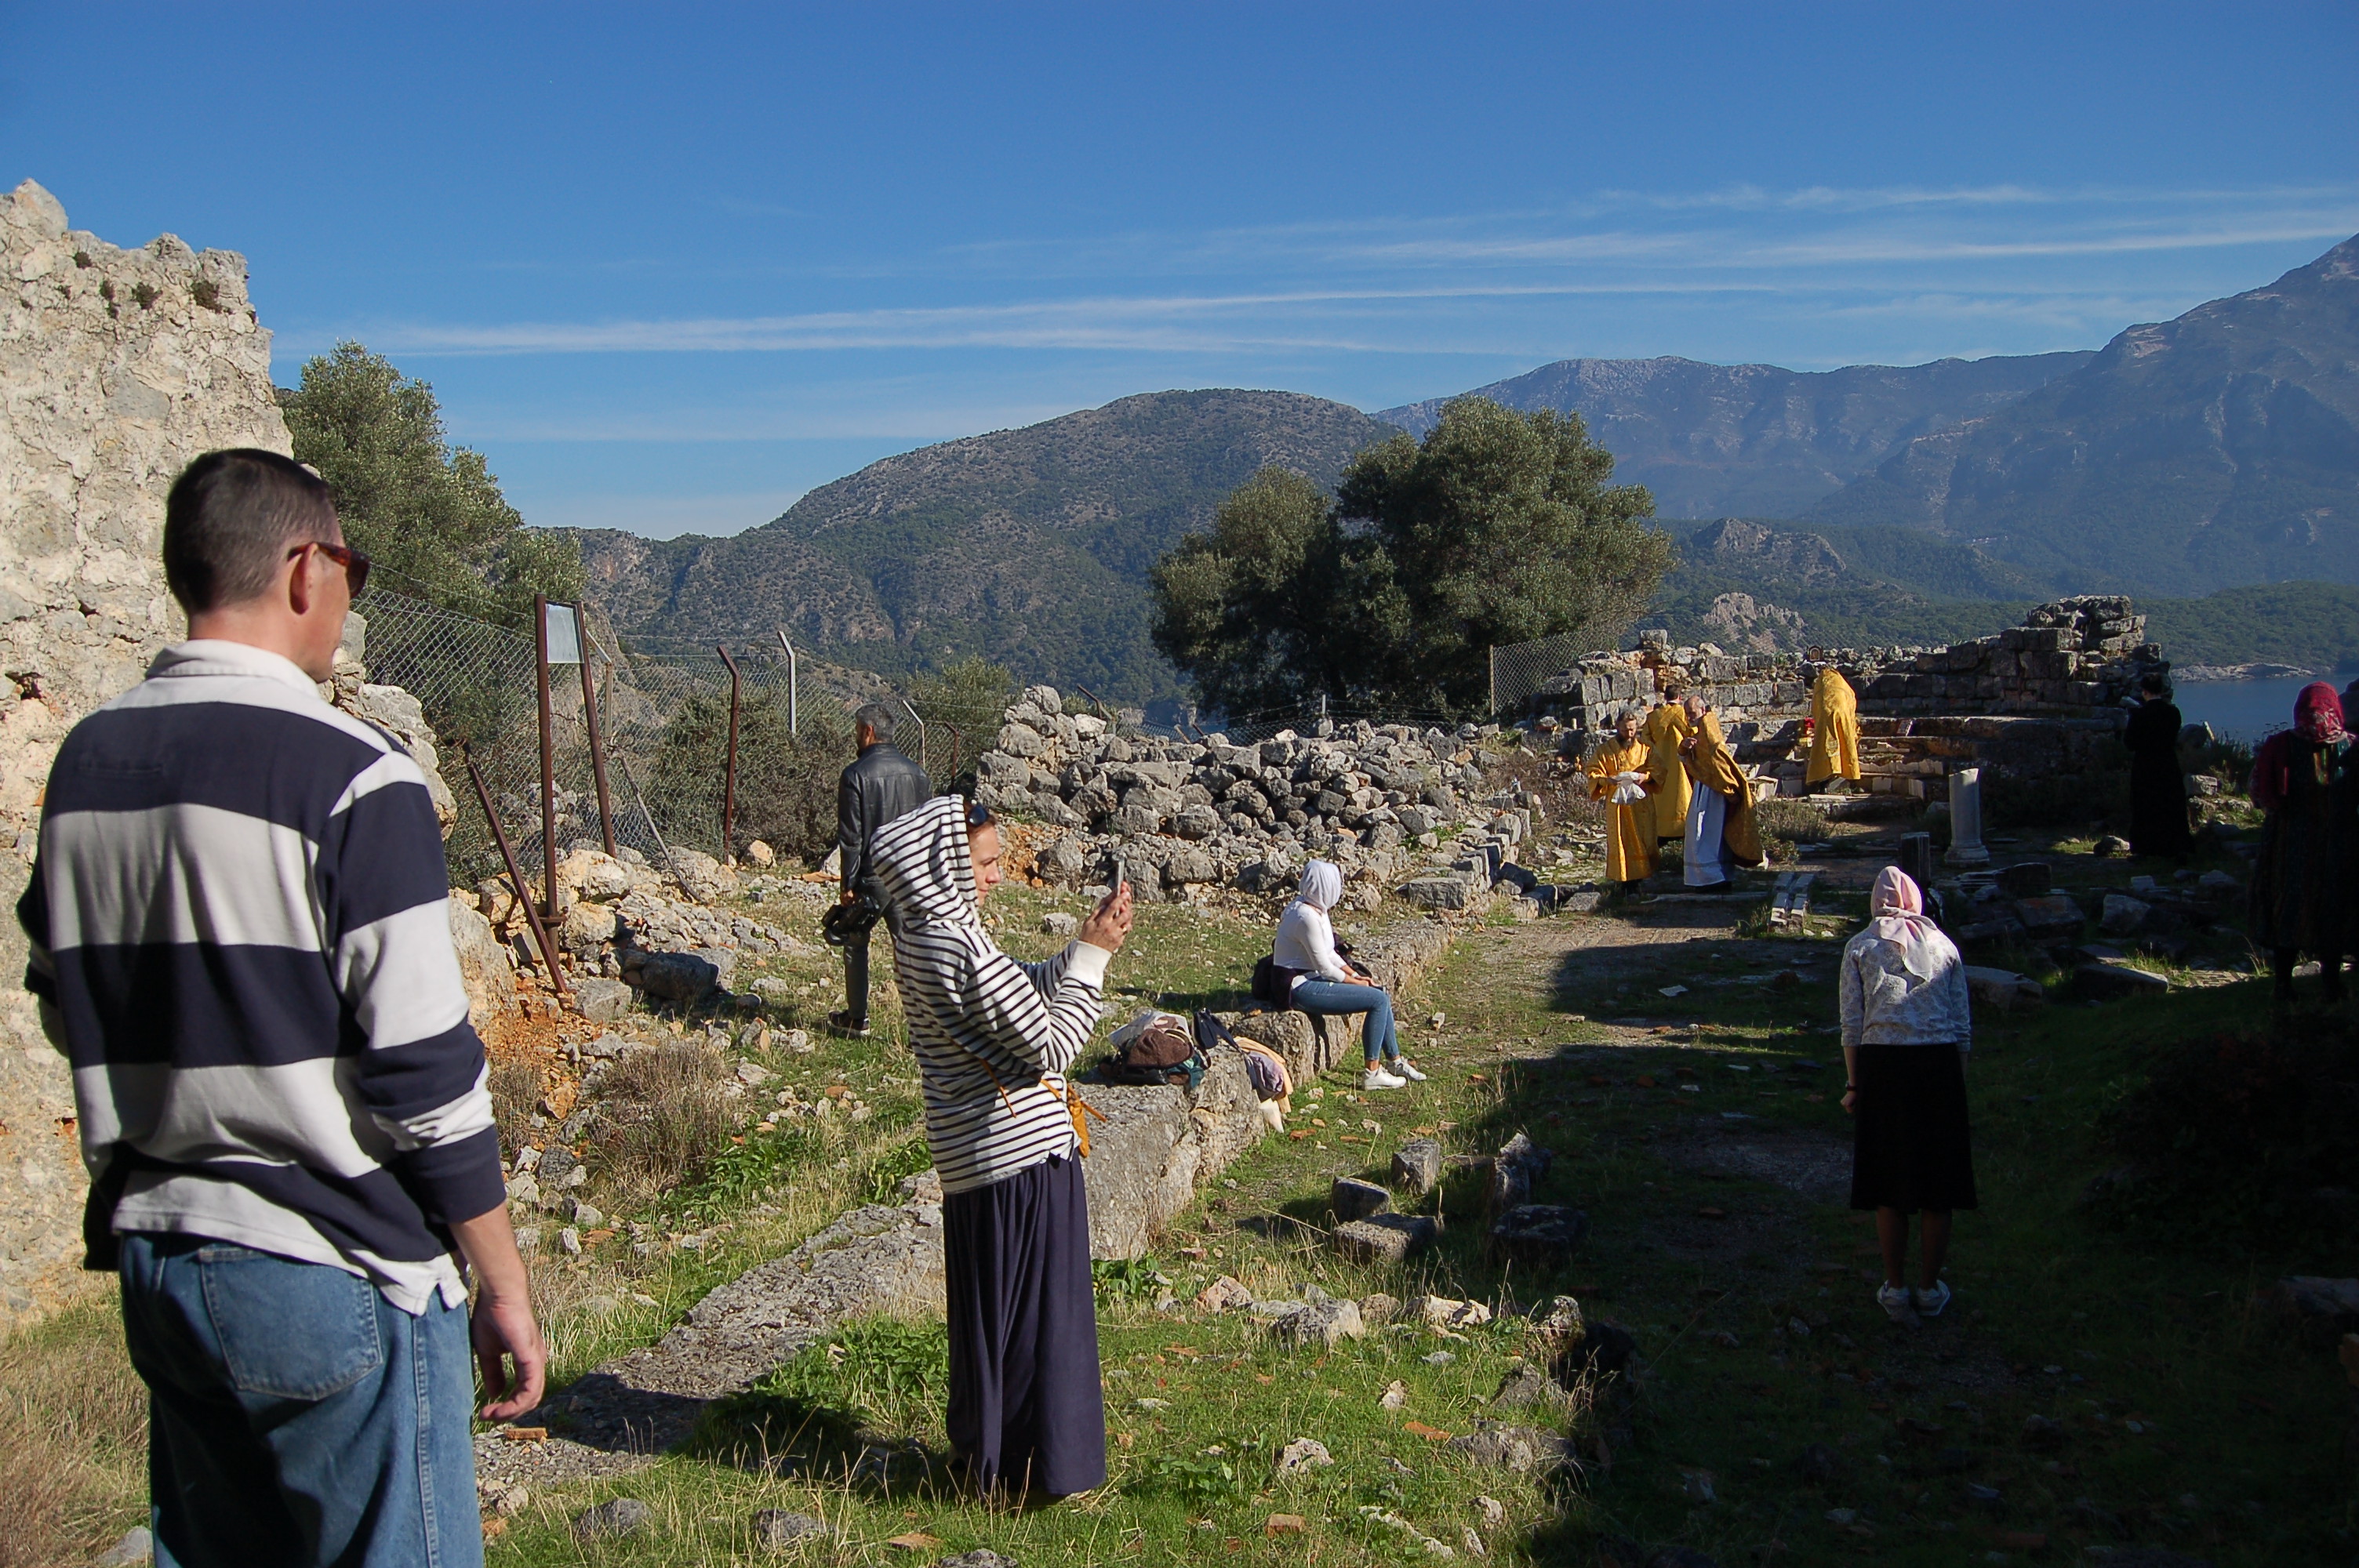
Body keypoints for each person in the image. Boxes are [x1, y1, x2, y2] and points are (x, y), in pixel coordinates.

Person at [15, 449, 543, 1567]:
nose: (350, 589)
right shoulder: (356, 776)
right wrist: (502, 1283)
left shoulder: (86, 764)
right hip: (333, 1263)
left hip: (164, 1255)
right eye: (352, 563)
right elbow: (422, 1075)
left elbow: (67, 995)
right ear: (306, 567)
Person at [867, 793, 1131, 1499]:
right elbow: (1049, 1041)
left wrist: (1077, 950)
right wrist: (1097, 962)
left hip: (972, 1158)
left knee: (994, 1318)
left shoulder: (923, 933)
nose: (994, 877)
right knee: (1038, 1323)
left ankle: (987, 1461)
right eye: (983, 863)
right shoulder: (956, 941)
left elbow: (1009, 999)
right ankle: (1036, 1470)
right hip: (1019, 1154)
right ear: (945, 863)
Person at [1840, 867, 1976, 1326]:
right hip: (1937, 1065)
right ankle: (1930, 1287)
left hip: (1883, 1066)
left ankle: (1895, 1289)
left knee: (1889, 1181)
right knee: (1939, 1185)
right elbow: (1961, 1025)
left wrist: (1854, 1084)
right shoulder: (1944, 947)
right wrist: (1956, 1081)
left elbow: (1852, 1024)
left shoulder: (1860, 947)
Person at [1273, 861, 1427, 1090]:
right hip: (1299, 988)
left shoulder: (1316, 909)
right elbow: (1324, 967)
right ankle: (1372, 1073)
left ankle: (1395, 1061)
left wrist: (1356, 975)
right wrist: (1356, 982)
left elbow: (1330, 953)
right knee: (1377, 1000)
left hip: (1312, 978)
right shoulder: (1305, 916)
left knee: (1378, 992)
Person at [2248, 681, 2353, 1003]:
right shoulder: (2350, 747)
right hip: (2338, 845)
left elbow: (2258, 791)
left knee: (2288, 910)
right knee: (2333, 910)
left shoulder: (2280, 746)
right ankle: (2332, 984)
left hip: (2288, 844)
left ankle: (2283, 985)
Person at [832, 702, 931, 1036]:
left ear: (868, 732)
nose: (856, 737)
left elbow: (851, 837)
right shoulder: (918, 774)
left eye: (858, 731)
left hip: (872, 879)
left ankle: (857, 1019)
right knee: (914, 951)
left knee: (856, 944)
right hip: (910, 877)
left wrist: (848, 883)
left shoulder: (855, 775)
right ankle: (930, 1025)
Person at [1677, 692, 1764, 889]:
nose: (1690, 717)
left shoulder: (1708, 728)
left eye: (1692, 713)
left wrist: (1729, 788)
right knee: (1703, 832)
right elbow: (1697, 761)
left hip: (1715, 791)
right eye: (1687, 713)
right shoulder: (1699, 731)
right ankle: (1708, 877)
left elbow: (1718, 760)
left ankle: (1711, 878)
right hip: (1705, 787)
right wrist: (1684, 748)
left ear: (1703, 710)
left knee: (1705, 832)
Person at [1585, 707, 1659, 889]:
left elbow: (1658, 769)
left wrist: (1645, 777)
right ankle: (1623, 880)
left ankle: (1644, 877)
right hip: (1617, 804)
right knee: (1621, 840)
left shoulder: (1645, 749)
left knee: (1645, 837)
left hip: (1641, 801)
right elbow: (1593, 771)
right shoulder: (1606, 750)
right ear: (1617, 727)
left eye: (1633, 729)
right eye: (1625, 729)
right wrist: (1606, 780)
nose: (1629, 733)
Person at [2121, 673, 2193, 859]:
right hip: (2168, 763)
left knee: (2145, 805)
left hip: (2145, 765)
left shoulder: (2139, 714)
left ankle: (2146, 847)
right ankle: (2175, 845)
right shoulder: (2173, 713)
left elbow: (2130, 743)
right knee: (2170, 803)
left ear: (2144, 691)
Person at [1640, 691, 1693, 845]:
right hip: (1680, 761)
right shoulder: (1683, 713)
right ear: (1680, 697)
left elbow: (1645, 740)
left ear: (1665, 697)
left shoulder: (1653, 716)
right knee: (1681, 794)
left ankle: (1661, 831)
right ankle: (1682, 829)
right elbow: (1692, 732)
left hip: (1660, 761)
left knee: (1662, 797)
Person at [1805, 666, 1862, 790]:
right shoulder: (1841, 684)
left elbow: (1815, 708)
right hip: (1842, 715)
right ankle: (1852, 779)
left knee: (1825, 747)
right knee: (1846, 743)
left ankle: (1823, 783)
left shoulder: (1820, 686)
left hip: (1825, 717)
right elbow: (1851, 700)